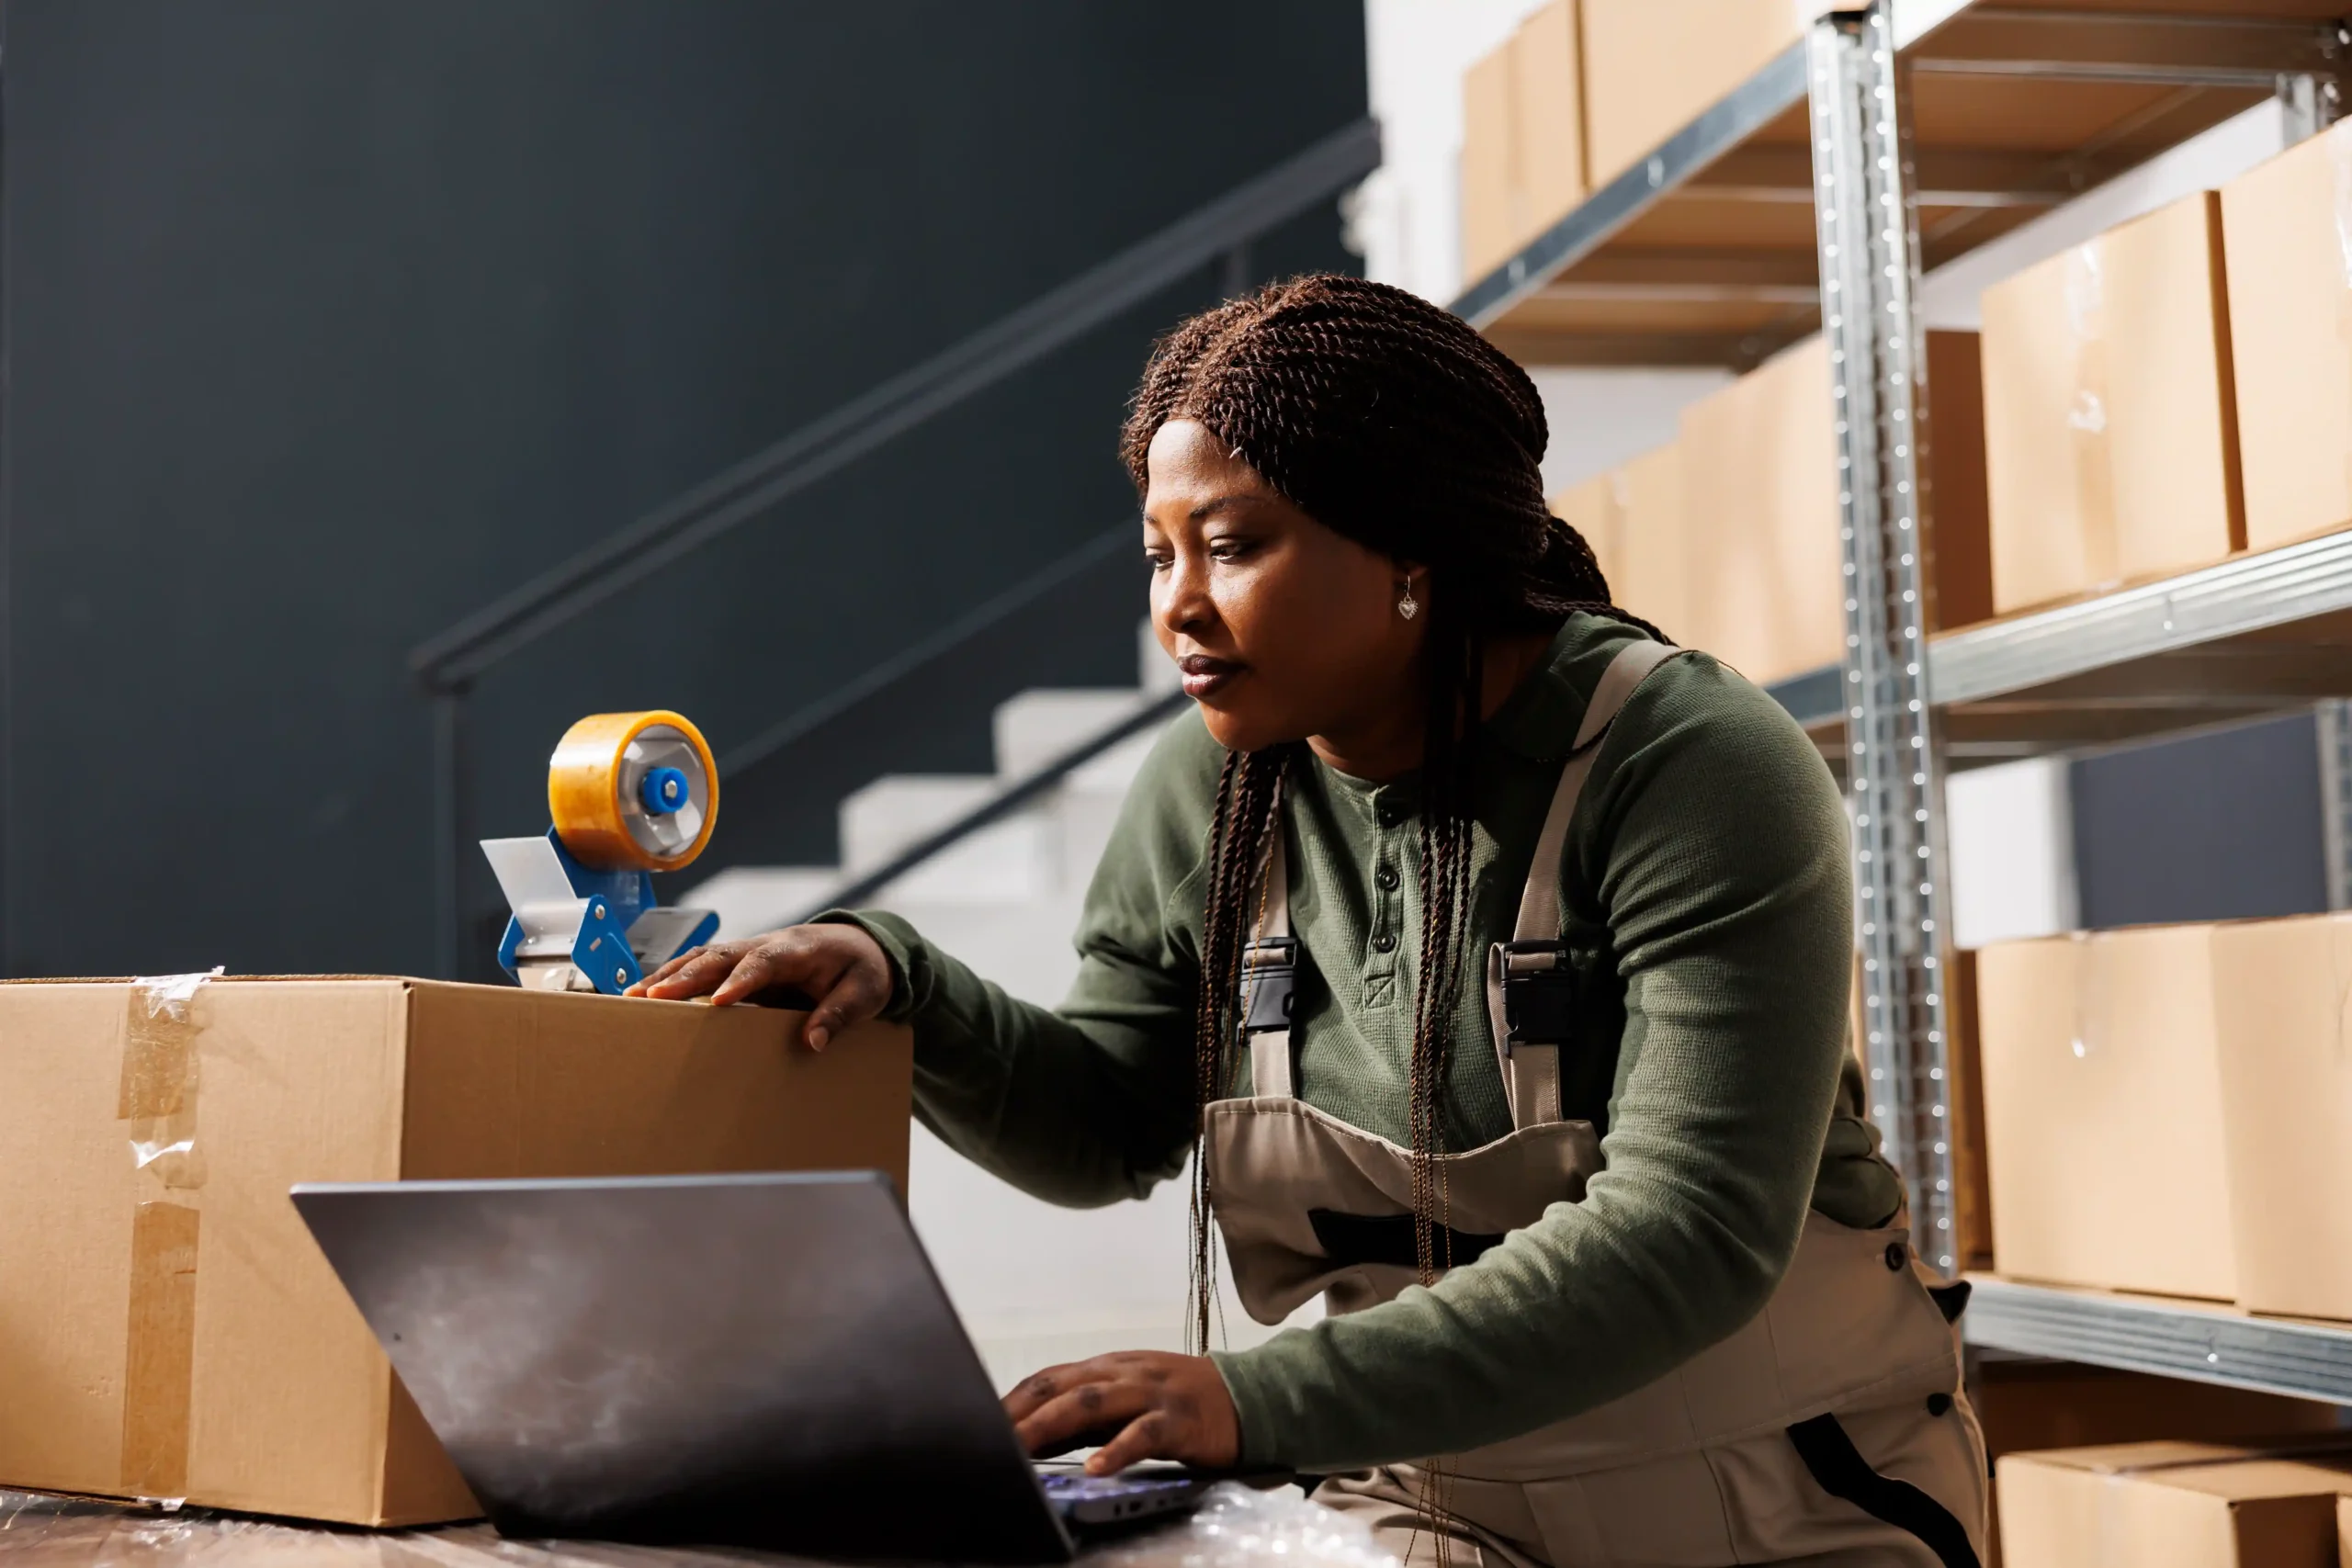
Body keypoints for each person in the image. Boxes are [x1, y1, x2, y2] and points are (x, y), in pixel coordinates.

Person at [635, 275, 1986, 1567]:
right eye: (1159, 552)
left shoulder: (1691, 767)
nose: (1178, 603)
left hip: (1783, 1495)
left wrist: (1251, 1400)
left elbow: (1691, 1230)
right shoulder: (1213, 793)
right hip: (1433, 1503)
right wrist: (901, 980)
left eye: (1232, 545)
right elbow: (1105, 1118)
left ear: (1413, 556)